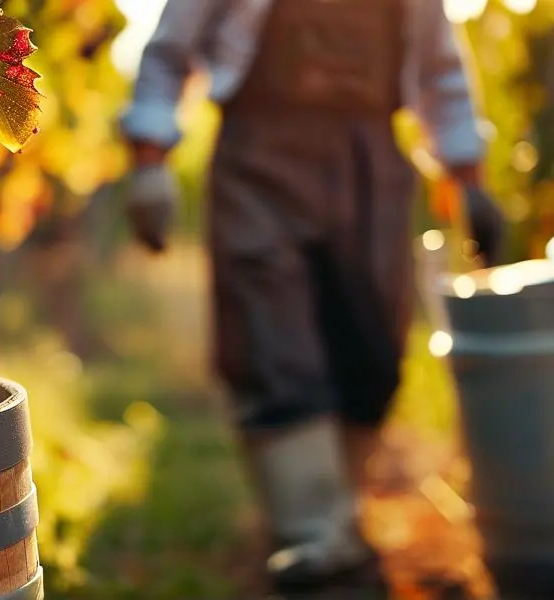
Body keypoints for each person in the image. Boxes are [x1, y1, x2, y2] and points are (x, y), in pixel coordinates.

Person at [120, 0, 505, 597]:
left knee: (371, 340)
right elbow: (172, 48)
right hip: (259, 158)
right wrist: (149, 156)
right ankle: (310, 528)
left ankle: (339, 515)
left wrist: (469, 176)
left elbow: (439, 71)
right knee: (270, 331)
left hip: (368, 160)